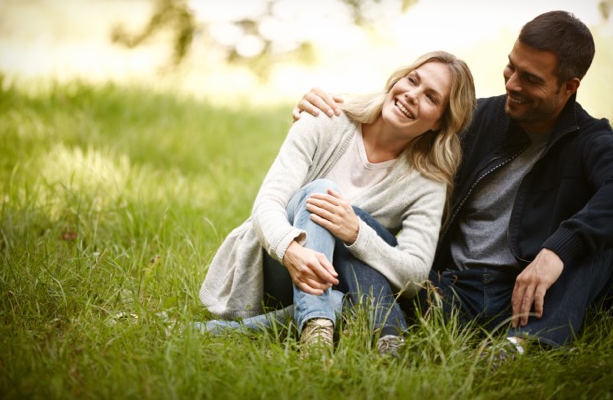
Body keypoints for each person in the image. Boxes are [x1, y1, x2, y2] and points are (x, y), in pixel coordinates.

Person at [294, 10, 613, 359]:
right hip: (442, 288)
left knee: (605, 229)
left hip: (525, 301)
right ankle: (386, 334)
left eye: (530, 79)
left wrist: (558, 249)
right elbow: (410, 115)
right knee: (349, 221)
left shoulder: (592, 141)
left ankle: (521, 346)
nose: (512, 84)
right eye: (510, 67)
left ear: (569, 86)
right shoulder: (480, 118)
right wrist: (333, 112)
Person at [199, 50, 477, 356]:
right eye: (412, 80)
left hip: (335, 282)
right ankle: (317, 320)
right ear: (398, 79)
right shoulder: (328, 116)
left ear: (440, 123)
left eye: (430, 98)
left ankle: (306, 326)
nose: (411, 95)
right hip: (273, 265)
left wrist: (357, 233)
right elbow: (267, 203)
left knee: (352, 307)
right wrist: (291, 250)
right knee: (322, 192)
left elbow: (414, 275)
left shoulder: (427, 180)